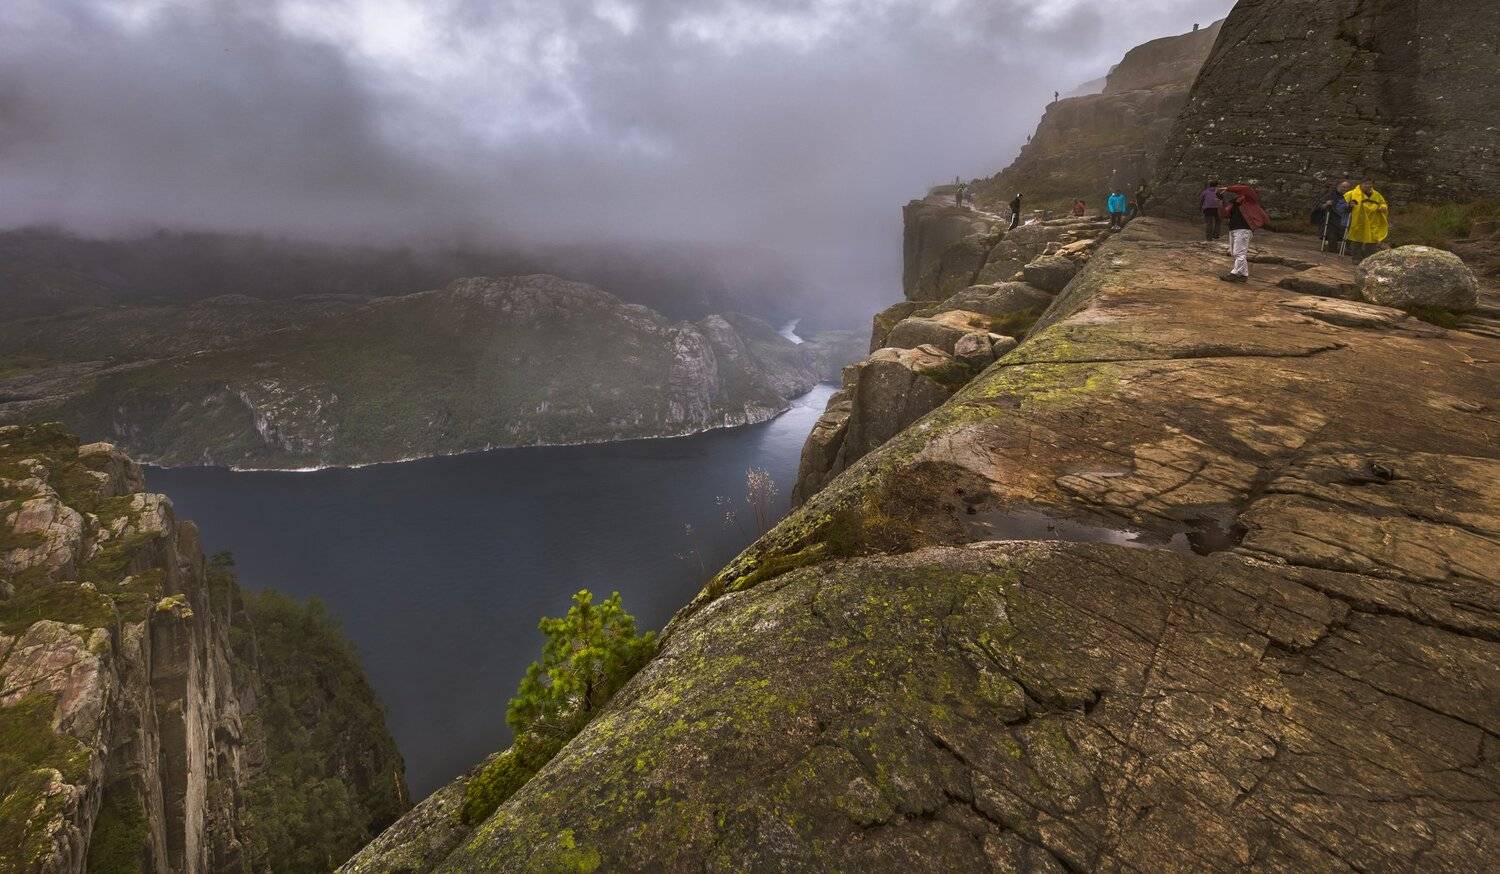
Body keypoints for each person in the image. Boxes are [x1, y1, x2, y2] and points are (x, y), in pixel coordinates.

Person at [1217, 184, 1268, 283]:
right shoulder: (1234, 203)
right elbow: (1224, 214)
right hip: (1234, 229)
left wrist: (1228, 188)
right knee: (1235, 253)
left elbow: (1246, 189)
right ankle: (1243, 274)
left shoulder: (1249, 200)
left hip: (1243, 229)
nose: (1238, 193)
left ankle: (1235, 274)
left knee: (1239, 253)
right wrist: (1221, 202)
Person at [1343, 177, 1389, 259]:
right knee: (1357, 240)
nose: (1368, 186)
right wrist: (1349, 205)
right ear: (1361, 184)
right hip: (1358, 221)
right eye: (1366, 184)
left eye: (1370, 184)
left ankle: (1368, 259)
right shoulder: (1352, 194)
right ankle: (1356, 258)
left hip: (1373, 222)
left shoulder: (1377, 195)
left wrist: (1382, 207)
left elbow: (1383, 203)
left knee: (1372, 241)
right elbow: (1342, 205)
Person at [1312, 180, 1352, 250]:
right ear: (1338, 186)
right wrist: (1326, 204)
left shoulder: (1349, 197)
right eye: (1343, 187)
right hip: (1331, 221)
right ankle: (1329, 244)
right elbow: (1318, 206)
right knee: (1332, 248)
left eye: (1347, 188)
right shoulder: (1330, 195)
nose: (1345, 189)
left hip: (1343, 221)